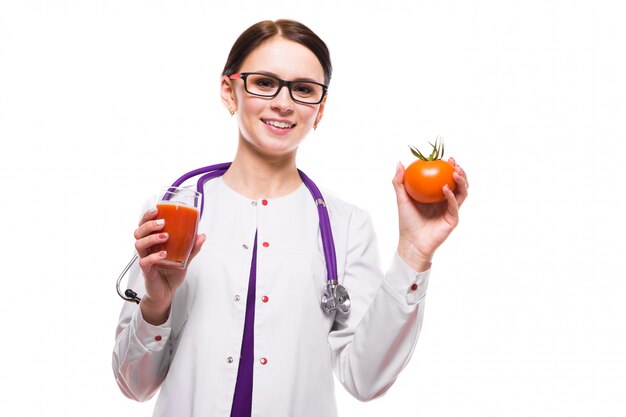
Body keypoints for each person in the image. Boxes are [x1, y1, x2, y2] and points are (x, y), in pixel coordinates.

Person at [112, 19, 468, 417]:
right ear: (229, 91)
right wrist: (156, 303)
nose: (284, 103)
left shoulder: (347, 225)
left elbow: (365, 379)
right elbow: (134, 385)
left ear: (320, 108)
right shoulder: (173, 211)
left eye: (303, 89)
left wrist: (414, 253)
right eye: (264, 83)